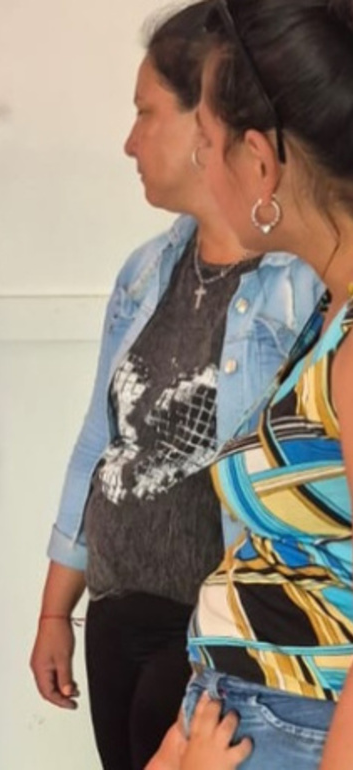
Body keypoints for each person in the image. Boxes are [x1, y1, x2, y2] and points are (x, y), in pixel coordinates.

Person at [28, 3, 323, 768]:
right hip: (130, 619)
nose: (130, 140)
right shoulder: (146, 272)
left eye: (145, 112)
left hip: (225, 650)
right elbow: (101, 442)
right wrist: (57, 609)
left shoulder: (305, 289)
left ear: (212, 129)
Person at [160, 0, 353, 767]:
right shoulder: (327, 311)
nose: (200, 166)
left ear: (260, 162)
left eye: (205, 143)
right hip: (242, 722)